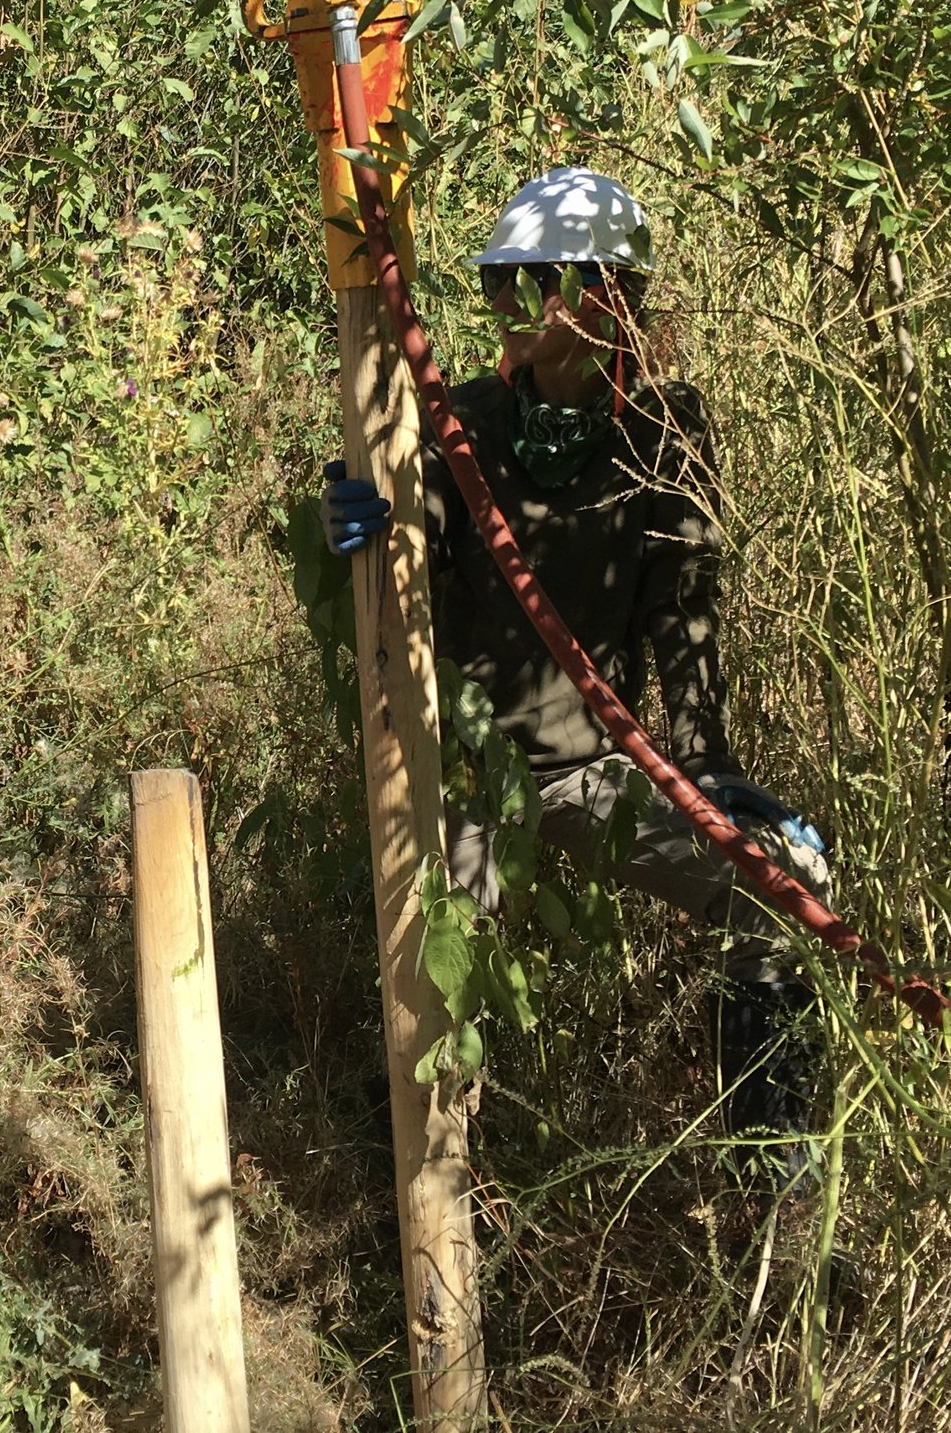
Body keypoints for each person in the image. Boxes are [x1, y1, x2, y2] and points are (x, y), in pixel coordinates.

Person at [319, 166, 831, 1163]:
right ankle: (437, 1216)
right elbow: (403, 563)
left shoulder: (666, 431)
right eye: (497, 285)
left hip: (596, 772)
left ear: (604, 296)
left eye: (534, 283)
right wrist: (360, 511)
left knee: (785, 886)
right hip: (467, 777)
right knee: (438, 985)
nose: (508, 307)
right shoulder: (451, 419)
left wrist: (711, 774)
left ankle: (771, 1185)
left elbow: (682, 614)